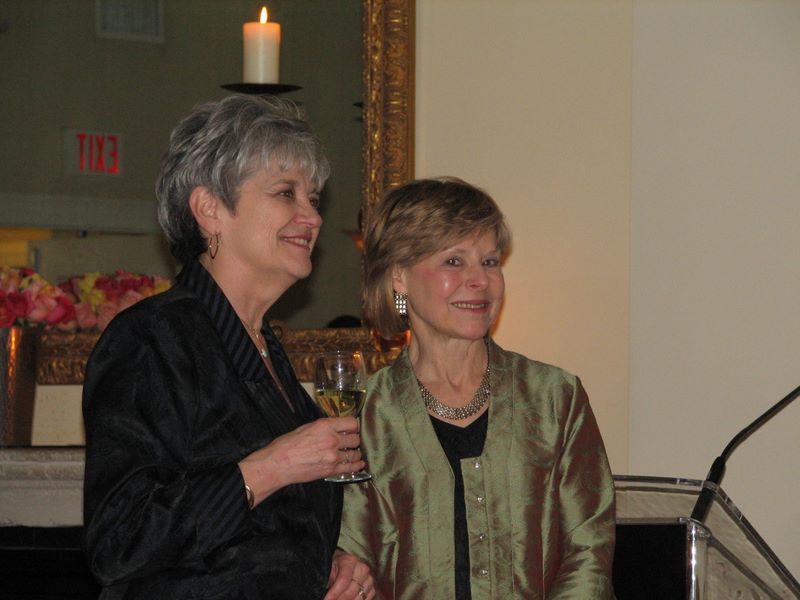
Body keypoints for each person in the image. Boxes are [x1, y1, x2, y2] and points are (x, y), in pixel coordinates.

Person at [82, 95, 375, 600]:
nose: (312, 217)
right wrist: (274, 465)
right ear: (209, 210)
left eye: (313, 199)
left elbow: (256, 539)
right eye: (286, 193)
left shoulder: (264, 349)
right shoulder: (152, 338)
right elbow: (120, 541)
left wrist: (329, 563)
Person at [337, 177, 616, 599]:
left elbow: (588, 552)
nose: (480, 280)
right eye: (454, 261)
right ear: (399, 277)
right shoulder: (363, 416)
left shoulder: (554, 398)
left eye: (489, 262)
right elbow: (353, 560)